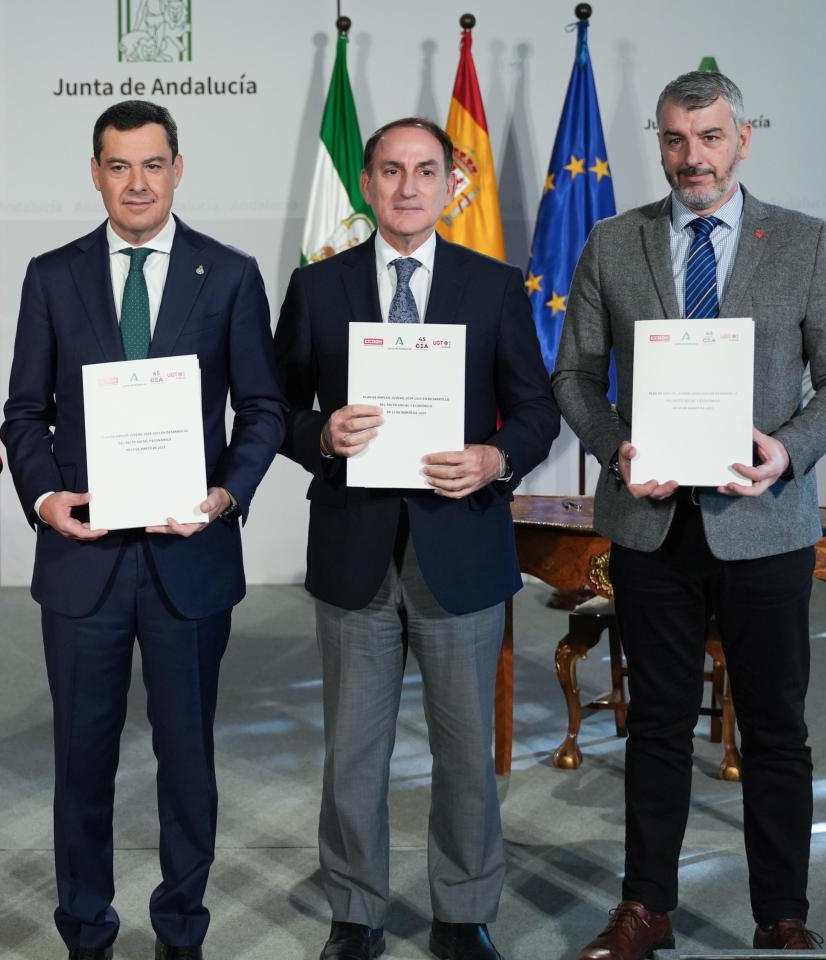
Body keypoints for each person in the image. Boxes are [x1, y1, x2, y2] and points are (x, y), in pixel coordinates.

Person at [553, 71, 826, 958]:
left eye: (710, 138)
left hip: (763, 522)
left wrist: (789, 450)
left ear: (742, 139)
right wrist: (617, 444)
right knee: (655, 724)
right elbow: (575, 376)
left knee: (775, 726)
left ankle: (782, 918)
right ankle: (645, 908)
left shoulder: (803, 243)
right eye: (674, 140)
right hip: (652, 527)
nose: (692, 158)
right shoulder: (615, 243)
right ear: (658, 142)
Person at [0, 99, 285, 960]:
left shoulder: (227, 275)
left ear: (178, 169)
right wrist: (47, 500)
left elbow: (263, 410)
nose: (136, 182)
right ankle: (86, 932)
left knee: (187, 763)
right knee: (81, 763)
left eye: (152, 164)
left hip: (189, 556)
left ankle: (180, 932)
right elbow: (23, 414)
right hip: (83, 560)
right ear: (95, 173)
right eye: (118, 166)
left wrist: (225, 495)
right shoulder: (52, 276)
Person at [273, 116, 558, 960]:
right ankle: (356, 912)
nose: (406, 187)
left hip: (460, 546)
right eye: (391, 171)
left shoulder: (493, 284)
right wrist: (321, 437)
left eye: (425, 171)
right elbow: (274, 410)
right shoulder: (319, 288)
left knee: (467, 749)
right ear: (367, 185)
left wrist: (495, 455)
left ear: (448, 186)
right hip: (355, 550)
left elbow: (537, 410)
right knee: (353, 752)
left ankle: (463, 911)